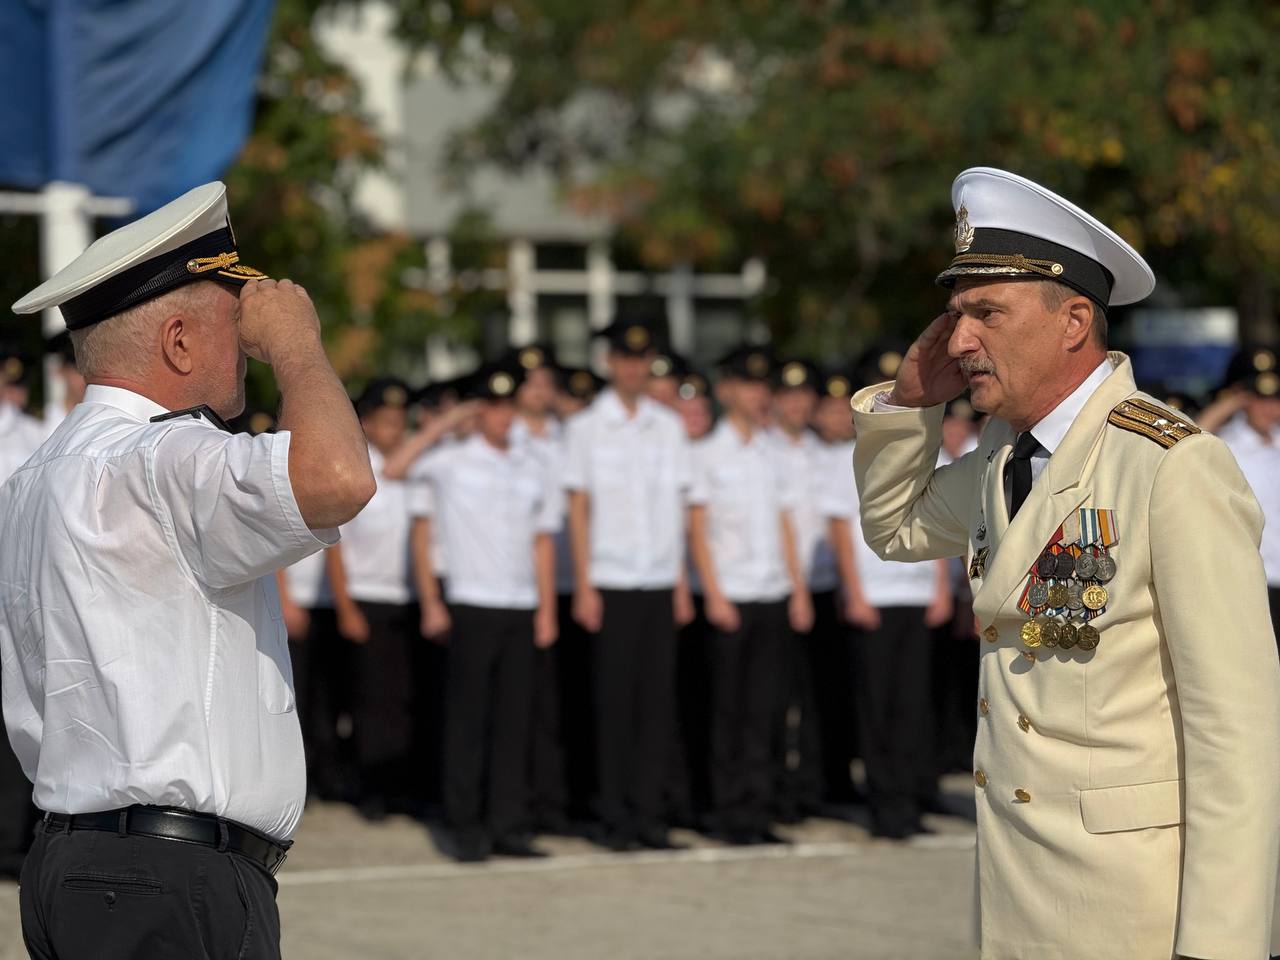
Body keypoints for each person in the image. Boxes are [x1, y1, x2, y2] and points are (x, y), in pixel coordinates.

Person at [849, 166, 1280, 957]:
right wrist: (909, 406)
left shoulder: (1169, 465)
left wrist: (1221, 945)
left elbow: (1236, 732)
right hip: (1017, 893)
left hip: (1127, 906)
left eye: (986, 313)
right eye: (956, 315)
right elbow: (897, 529)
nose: (959, 340)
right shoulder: (1004, 454)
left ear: (1074, 320)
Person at [2, 181, 374, 959]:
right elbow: (338, 479)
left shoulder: (32, 479)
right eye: (236, 328)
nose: (248, 348)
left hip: (71, 864)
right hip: (168, 882)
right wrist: (299, 348)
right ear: (178, 342)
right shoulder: (161, 456)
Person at [413, 363, 560, 861]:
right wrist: (451, 418)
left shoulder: (531, 462)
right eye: (493, 407)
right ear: (479, 412)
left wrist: (546, 610)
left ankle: (508, 826)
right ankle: (465, 827)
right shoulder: (451, 460)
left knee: (515, 722)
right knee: (468, 723)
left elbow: (543, 541)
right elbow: (395, 468)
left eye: (508, 406)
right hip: (473, 603)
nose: (503, 416)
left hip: (520, 605)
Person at [563, 318, 694, 851]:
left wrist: (680, 583)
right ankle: (614, 817)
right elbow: (578, 508)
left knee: (656, 705)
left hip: (659, 578)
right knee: (614, 704)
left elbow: (677, 509)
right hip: (610, 580)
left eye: (643, 360)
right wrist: (584, 584)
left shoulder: (669, 426)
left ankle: (649, 816)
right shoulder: (586, 427)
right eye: (626, 359)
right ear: (610, 363)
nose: (635, 369)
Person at [821, 363, 953, 837]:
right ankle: (885, 808)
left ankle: (910, 803)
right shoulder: (848, 455)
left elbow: (944, 525)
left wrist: (941, 588)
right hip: (874, 596)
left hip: (916, 594)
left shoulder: (929, 450)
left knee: (913, 706)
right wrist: (853, 593)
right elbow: (840, 530)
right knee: (877, 706)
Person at [688, 346, 814, 845]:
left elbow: (785, 525)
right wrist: (714, 595)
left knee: (766, 709)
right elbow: (698, 532)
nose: (759, 394)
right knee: (726, 711)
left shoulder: (771, 451)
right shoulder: (707, 453)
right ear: (726, 391)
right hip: (731, 595)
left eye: (763, 385)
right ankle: (726, 811)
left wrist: (798, 591)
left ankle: (757, 811)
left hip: (771, 593)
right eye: (748, 384)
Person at [325, 378, 420, 821]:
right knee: (369, 700)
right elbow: (335, 545)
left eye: (400, 422)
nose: (394, 430)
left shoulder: (414, 468)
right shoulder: (356, 470)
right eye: (386, 422)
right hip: (366, 597)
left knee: (402, 696)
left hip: (406, 596)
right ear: (366, 424)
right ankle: (369, 787)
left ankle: (398, 782)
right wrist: (345, 605)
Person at [768, 358, 833, 820]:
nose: (797, 404)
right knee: (776, 697)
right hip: (779, 587)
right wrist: (794, 591)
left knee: (818, 693)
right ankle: (777, 789)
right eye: (788, 395)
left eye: (804, 395)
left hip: (825, 583)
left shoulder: (822, 451)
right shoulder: (763, 449)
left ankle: (815, 787)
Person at [1212, 346, 1280, 649]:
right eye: (1259, 400)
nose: (1269, 409)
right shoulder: (1227, 444)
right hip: (1252, 581)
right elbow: (1183, 444)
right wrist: (1231, 401)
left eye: (1275, 401)